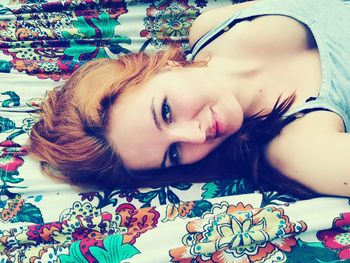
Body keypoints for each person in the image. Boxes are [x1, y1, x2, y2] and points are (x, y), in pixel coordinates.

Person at [28, 0, 350, 197]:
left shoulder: (211, 27)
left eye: (166, 112)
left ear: (160, 66)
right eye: (174, 154)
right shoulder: (294, 151)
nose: (196, 135)